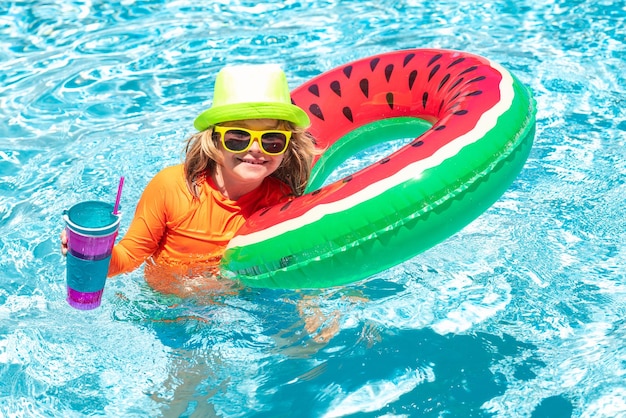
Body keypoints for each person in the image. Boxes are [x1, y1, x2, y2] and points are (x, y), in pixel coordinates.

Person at [61, 64, 318, 296]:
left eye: (272, 140)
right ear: (214, 141)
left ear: (287, 148)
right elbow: (127, 258)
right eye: (238, 137)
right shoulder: (172, 188)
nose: (255, 149)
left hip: (236, 303)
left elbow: (291, 266)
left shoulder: (281, 202)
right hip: (166, 307)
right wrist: (89, 252)